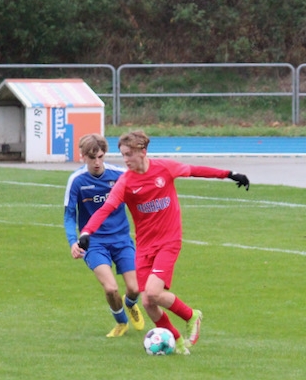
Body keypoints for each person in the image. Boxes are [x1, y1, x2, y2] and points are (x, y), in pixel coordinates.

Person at [77, 130, 250, 355]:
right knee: (148, 302)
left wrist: (229, 174)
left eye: (129, 154)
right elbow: (106, 208)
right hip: (144, 246)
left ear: (143, 152)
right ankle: (177, 342)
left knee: (153, 292)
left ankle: (192, 316)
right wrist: (87, 231)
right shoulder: (126, 182)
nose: (125, 159)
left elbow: (194, 170)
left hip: (169, 241)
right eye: (123, 155)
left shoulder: (164, 169)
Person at [64, 133, 145, 337]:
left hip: (122, 240)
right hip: (94, 243)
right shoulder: (76, 181)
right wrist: (73, 241)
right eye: (92, 158)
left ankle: (130, 303)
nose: (97, 162)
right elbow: (69, 215)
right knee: (110, 288)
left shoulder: (119, 175)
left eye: (100, 157)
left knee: (135, 288)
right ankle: (121, 323)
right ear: (83, 156)